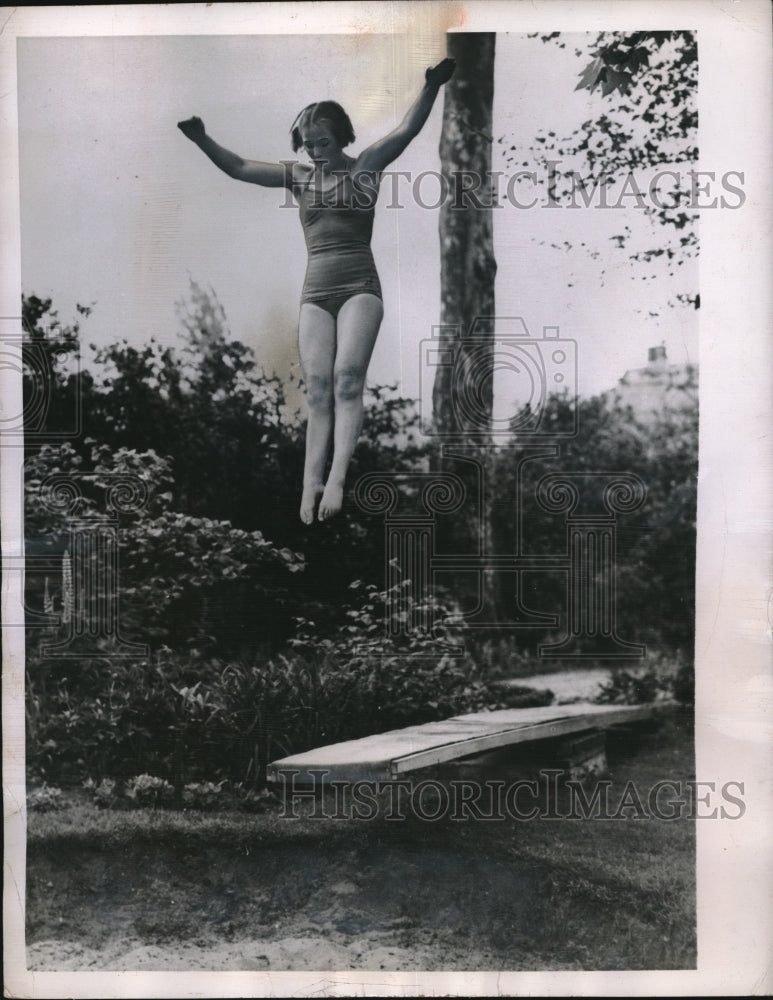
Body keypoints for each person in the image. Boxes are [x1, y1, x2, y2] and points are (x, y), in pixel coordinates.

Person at [178, 57, 455, 523]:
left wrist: (429, 86)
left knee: (348, 377)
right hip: (316, 290)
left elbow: (406, 130)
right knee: (320, 387)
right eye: (307, 146)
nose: (315, 153)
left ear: (343, 137)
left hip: (359, 286)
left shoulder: (366, 166)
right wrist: (202, 139)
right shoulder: (301, 177)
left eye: (323, 143)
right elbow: (242, 167)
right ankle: (310, 482)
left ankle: (338, 480)